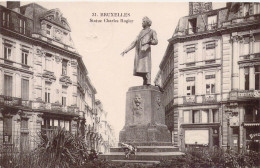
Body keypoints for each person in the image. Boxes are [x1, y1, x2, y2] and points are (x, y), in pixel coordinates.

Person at [121, 16, 158, 85]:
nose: (142, 23)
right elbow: (134, 42)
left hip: (145, 53)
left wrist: (149, 42)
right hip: (140, 53)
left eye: (143, 21)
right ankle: (145, 81)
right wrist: (125, 50)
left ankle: (148, 82)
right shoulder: (140, 32)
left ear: (147, 23)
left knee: (146, 68)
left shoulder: (152, 31)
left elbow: (156, 41)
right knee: (141, 69)